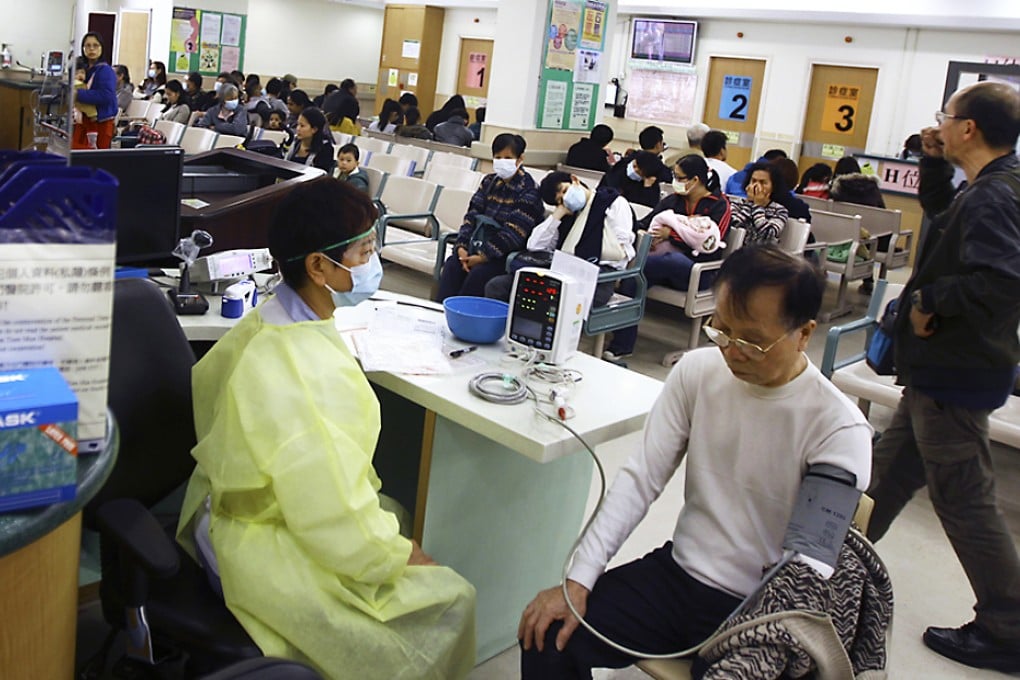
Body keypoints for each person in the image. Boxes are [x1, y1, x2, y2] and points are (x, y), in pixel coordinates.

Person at [518, 245, 872, 678]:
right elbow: (640, 480)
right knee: (548, 634)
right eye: (721, 330)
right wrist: (580, 579)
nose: (732, 351)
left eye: (752, 341)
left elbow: (807, 566)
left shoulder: (838, 427)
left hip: (761, 607)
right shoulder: (698, 372)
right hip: (679, 575)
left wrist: (749, 648)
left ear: (804, 333)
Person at [176, 179, 476, 680]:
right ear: (318, 266)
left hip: (232, 511)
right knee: (450, 602)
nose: (372, 261)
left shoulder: (267, 321)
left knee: (393, 515)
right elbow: (331, 510)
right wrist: (401, 557)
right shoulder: (298, 370)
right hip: (261, 542)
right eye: (364, 251)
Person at [865, 80, 1020, 674]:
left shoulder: (994, 196)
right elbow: (944, 219)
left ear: (970, 128)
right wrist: (932, 161)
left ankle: (1008, 626)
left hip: (957, 374)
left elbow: (1004, 281)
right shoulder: (988, 186)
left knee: (965, 501)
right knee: (888, 471)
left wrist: (928, 299)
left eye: (946, 118)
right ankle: (824, 563)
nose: (940, 124)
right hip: (942, 374)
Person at [603, 155, 732, 361]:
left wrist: (670, 235)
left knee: (659, 262)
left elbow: (710, 244)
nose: (675, 182)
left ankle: (620, 337)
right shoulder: (673, 201)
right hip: (661, 265)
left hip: (699, 271)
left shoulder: (719, 205)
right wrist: (648, 235)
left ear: (695, 180)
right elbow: (645, 223)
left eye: (679, 177)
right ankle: (622, 342)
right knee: (637, 276)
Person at [483, 171, 635, 304]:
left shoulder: (613, 203)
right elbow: (535, 246)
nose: (565, 198)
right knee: (497, 286)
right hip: (562, 273)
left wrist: (580, 258)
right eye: (559, 201)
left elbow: (618, 251)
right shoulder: (567, 215)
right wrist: (559, 213)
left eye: (564, 190)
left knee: (553, 300)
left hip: (598, 278)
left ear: (574, 180)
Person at [436, 133, 545, 301]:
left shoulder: (529, 192)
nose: (502, 161)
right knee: (452, 265)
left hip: (504, 256)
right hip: (476, 248)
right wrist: (462, 247)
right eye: (498, 157)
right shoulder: (489, 182)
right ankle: (439, 313)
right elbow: (471, 216)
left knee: (479, 275)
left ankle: (463, 318)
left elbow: (513, 234)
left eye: (508, 157)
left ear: (520, 159)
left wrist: (482, 257)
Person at [72, 32, 118, 150]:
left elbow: (106, 95)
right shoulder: (85, 70)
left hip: (100, 124)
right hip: (84, 122)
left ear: (101, 48)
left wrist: (78, 94)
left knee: (95, 160)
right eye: (87, 45)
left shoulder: (106, 70)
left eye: (95, 45)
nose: (91, 49)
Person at [729, 162, 789, 244]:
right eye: (753, 181)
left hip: (763, 253)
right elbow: (733, 227)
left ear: (774, 186)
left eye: (763, 182)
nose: (756, 186)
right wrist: (749, 203)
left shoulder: (780, 211)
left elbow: (768, 234)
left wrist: (758, 206)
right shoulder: (737, 204)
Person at [597, 150, 666, 208]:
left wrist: (647, 188)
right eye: (634, 165)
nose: (633, 169)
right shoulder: (618, 170)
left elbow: (647, 209)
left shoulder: (652, 187)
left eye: (638, 170)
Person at [286, 107, 336, 174]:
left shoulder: (325, 149)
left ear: (314, 129)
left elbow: (320, 177)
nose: (298, 129)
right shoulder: (295, 143)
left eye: (302, 126)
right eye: (297, 124)